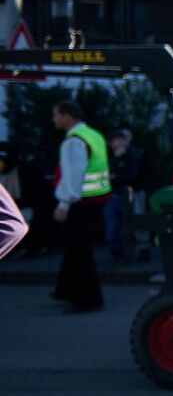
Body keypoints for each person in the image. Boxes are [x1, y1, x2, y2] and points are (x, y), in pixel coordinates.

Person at [50, 101, 109, 313]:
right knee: (78, 250)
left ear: (68, 116)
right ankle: (66, 290)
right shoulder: (93, 135)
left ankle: (87, 299)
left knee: (79, 251)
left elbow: (73, 176)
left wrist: (63, 204)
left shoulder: (74, 142)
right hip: (95, 200)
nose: (54, 119)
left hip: (80, 203)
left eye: (56, 115)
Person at [104, 128, 144, 261]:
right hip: (110, 195)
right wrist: (116, 160)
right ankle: (115, 253)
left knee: (125, 226)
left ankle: (126, 254)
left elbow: (132, 175)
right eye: (118, 140)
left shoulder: (131, 155)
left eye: (123, 140)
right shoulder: (108, 156)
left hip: (125, 195)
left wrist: (116, 176)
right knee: (111, 226)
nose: (121, 143)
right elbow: (106, 173)